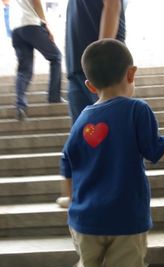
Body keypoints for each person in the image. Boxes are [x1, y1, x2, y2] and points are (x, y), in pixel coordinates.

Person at [60, 39, 164, 267]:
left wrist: (72, 202)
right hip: (125, 218)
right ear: (131, 72)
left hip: (84, 221)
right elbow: (155, 150)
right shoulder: (137, 109)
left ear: (90, 86)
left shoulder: (82, 119)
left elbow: (66, 162)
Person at [57, 0, 125, 208]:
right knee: (81, 134)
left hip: (99, 65)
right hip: (80, 66)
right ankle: (79, 191)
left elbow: (112, 4)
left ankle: (117, 191)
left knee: (108, 131)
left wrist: (101, 56)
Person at [9, 0, 65, 120]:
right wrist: (45, 23)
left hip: (16, 30)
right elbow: (36, 1)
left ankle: (20, 106)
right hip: (31, 24)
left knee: (24, 70)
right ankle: (54, 97)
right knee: (56, 57)